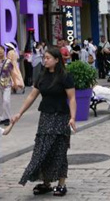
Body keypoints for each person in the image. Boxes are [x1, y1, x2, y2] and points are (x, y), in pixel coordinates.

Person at [11, 47, 76, 197]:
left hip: (61, 117)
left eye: (48, 58)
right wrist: (19, 113)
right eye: (44, 58)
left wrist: (73, 117)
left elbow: (72, 98)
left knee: (59, 149)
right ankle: (46, 183)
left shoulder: (65, 76)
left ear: (57, 60)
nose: (45, 60)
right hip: (45, 116)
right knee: (43, 149)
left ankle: (61, 184)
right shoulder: (41, 76)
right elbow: (31, 97)